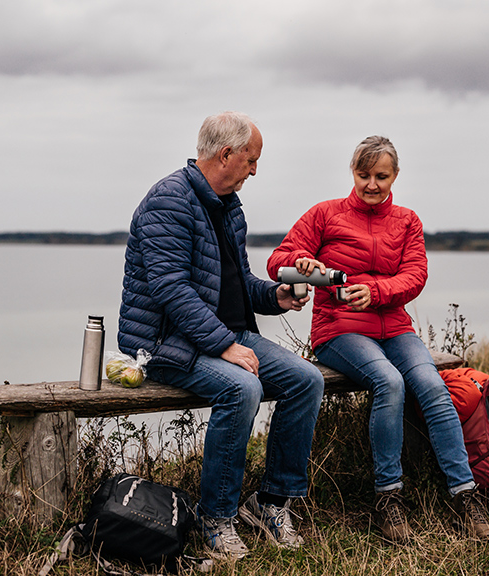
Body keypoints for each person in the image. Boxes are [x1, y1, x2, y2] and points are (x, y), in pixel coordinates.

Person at [266, 135, 489, 543]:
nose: (372, 184)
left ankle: (464, 495)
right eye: (363, 174)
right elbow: (277, 263)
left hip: (395, 327)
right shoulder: (324, 214)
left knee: (430, 384)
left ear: (395, 175)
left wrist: (377, 292)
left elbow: (415, 275)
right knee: (389, 382)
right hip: (340, 329)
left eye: (381, 176)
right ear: (352, 171)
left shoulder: (407, 221)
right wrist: (300, 264)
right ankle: (389, 498)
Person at [118, 111, 325, 560]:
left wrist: (277, 296)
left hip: (219, 335)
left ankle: (270, 504)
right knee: (243, 388)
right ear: (226, 154)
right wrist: (225, 346)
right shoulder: (168, 202)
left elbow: (237, 284)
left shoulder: (227, 206)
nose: (255, 169)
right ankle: (216, 518)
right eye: (251, 159)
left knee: (307, 380)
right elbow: (171, 290)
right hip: (164, 343)